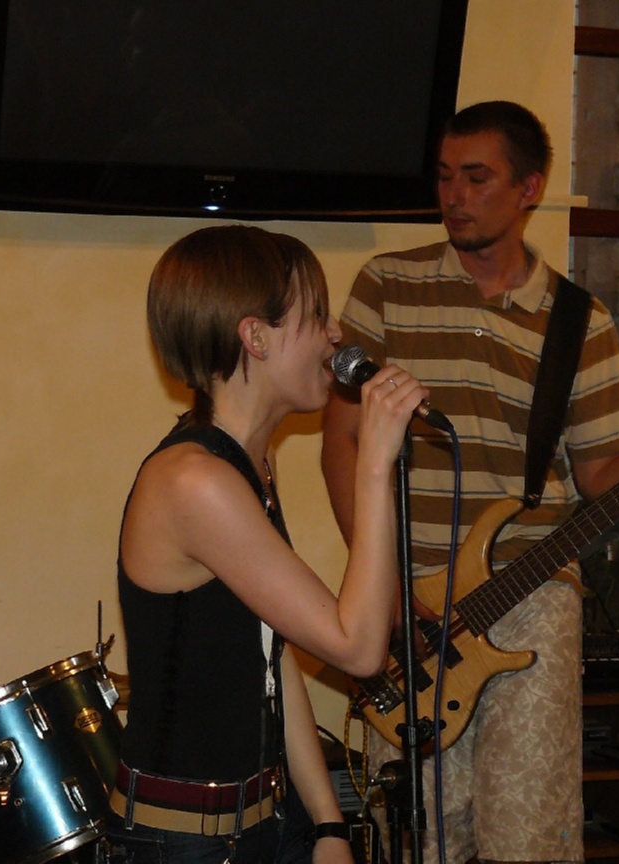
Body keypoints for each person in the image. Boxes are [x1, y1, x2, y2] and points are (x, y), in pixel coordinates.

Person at [320, 100, 619, 864]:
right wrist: (383, 581)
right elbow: (340, 441)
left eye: (477, 178)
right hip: (412, 603)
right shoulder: (386, 285)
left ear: (529, 188)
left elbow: (599, 473)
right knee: (420, 833)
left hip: (533, 597)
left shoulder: (579, 320)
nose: (454, 196)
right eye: (445, 177)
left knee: (528, 833)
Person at [106, 225, 423, 863]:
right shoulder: (195, 482)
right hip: (183, 842)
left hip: (261, 825)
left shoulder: (248, 464)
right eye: (316, 315)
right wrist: (371, 467)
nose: (335, 334)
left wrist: (329, 824)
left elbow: (271, 655)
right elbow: (359, 648)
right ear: (255, 337)